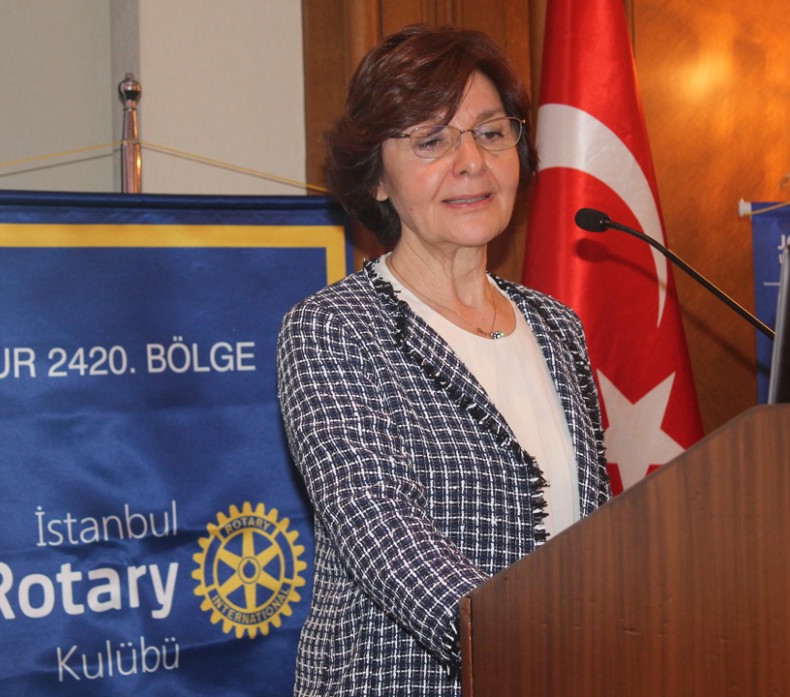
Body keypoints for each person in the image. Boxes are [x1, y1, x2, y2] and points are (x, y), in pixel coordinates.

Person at [276, 24, 611, 697]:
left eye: (491, 132)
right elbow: (382, 533)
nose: (472, 162)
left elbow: (592, 529)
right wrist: (529, 650)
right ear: (377, 178)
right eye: (432, 140)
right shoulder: (333, 329)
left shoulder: (556, 327)